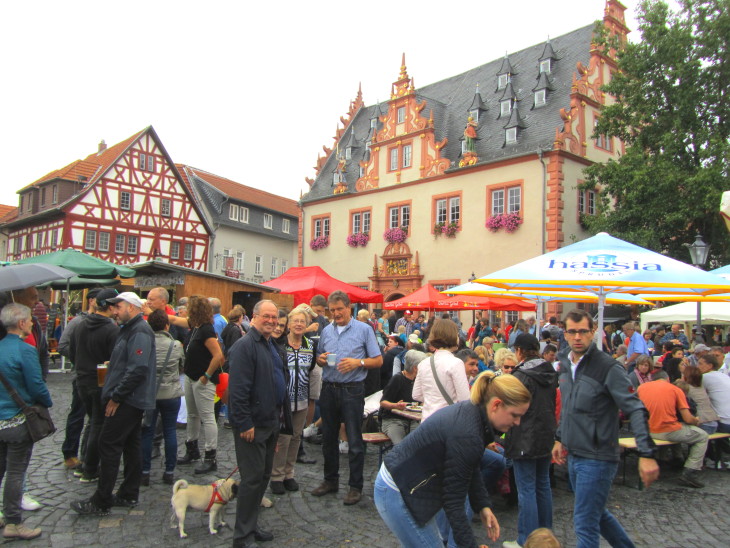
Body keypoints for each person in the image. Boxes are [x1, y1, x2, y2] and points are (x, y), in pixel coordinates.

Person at [374, 372, 531, 548]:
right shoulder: (469, 433)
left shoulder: (474, 414)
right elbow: (454, 504)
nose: (517, 422)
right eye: (515, 415)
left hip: (405, 484)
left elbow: (472, 466)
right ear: (496, 405)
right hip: (397, 489)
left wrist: (483, 507)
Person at [552, 310, 658, 548]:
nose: (577, 337)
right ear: (565, 333)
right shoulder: (566, 364)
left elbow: (636, 409)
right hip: (575, 453)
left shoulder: (608, 367)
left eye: (583, 331)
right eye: (572, 331)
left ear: (593, 332)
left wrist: (646, 453)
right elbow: (569, 406)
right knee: (596, 514)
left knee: (585, 522)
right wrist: (560, 438)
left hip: (598, 456)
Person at [71, 292, 156, 516]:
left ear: (132, 307)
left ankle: (101, 500)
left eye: (118, 307)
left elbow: (138, 368)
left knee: (108, 444)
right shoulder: (130, 329)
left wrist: (116, 397)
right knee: (131, 445)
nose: (114, 312)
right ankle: (128, 493)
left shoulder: (139, 331)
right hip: (129, 398)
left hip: (127, 400)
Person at [228, 300, 292, 548]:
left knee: (263, 477)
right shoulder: (245, 346)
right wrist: (244, 423)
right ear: (253, 317)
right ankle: (242, 536)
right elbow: (238, 390)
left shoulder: (270, 345)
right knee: (252, 479)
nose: (271, 321)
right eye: (266, 316)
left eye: (274, 317)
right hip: (252, 424)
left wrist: (278, 424)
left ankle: (251, 525)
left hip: (270, 422)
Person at [311, 290, 383, 506]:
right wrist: (321, 359)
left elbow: (378, 360)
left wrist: (358, 363)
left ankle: (355, 486)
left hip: (353, 389)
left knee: (353, 439)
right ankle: (330, 480)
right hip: (329, 388)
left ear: (348, 308)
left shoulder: (363, 329)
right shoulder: (327, 331)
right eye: (332, 310)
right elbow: (320, 356)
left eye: (339, 309)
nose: (336, 314)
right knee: (329, 438)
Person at [0, 303, 52, 540]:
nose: (32, 323)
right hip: (18, 421)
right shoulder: (25, 350)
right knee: (15, 472)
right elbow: (37, 386)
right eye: (30, 319)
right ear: (21, 323)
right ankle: (13, 522)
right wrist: (46, 402)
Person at [503, 334, 558, 548]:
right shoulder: (550, 371)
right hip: (546, 434)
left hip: (524, 436)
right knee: (542, 485)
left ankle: (526, 539)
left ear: (519, 351)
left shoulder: (520, 375)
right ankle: (546, 537)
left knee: (526, 489)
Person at [68, 288, 120, 483]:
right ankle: (90, 468)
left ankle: (84, 464)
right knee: (98, 424)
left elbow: (72, 352)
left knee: (92, 422)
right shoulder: (111, 329)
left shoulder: (79, 325)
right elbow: (115, 359)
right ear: (109, 306)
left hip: (82, 379)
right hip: (100, 381)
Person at [169, 296, 225, 473]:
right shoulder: (195, 327)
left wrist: (206, 376)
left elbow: (219, 356)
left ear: (195, 311)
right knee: (193, 415)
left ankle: (210, 456)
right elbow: (174, 319)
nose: (184, 310)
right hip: (191, 377)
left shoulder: (206, 330)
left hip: (203, 380)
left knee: (207, 417)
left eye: (188, 308)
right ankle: (192, 450)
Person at [270, 305, 316, 495]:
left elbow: (311, 369)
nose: (298, 324)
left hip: (302, 399)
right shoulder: (280, 345)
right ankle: (276, 475)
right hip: (284, 401)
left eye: (302, 322)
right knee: (283, 438)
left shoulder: (310, 346)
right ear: (288, 324)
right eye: (295, 321)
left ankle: (289, 473)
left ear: (307, 325)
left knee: (296, 437)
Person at [637, 370, 708, 488]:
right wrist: (696, 420)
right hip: (666, 430)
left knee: (679, 428)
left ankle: (674, 458)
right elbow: (688, 419)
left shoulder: (641, 388)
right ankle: (690, 472)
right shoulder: (675, 389)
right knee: (702, 436)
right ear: (668, 379)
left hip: (646, 430)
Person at [140, 309, 184, 486]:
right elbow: (182, 366)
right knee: (170, 432)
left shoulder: (145, 343)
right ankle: (169, 471)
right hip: (171, 393)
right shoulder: (176, 345)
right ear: (167, 325)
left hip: (150, 393)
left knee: (147, 432)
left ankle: (144, 471)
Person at [412, 319, 470, 422]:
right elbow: (465, 399)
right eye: (457, 334)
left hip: (427, 421)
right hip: (448, 421)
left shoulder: (423, 363)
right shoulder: (456, 363)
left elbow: (416, 394)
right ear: (452, 336)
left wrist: (432, 400)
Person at [380, 350, 426, 444]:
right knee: (400, 445)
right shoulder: (398, 379)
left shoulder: (418, 380)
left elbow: (420, 401)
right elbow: (383, 402)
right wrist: (396, 405)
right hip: (393, 420)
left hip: (412, 420)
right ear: (415, 368)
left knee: (420, 441)